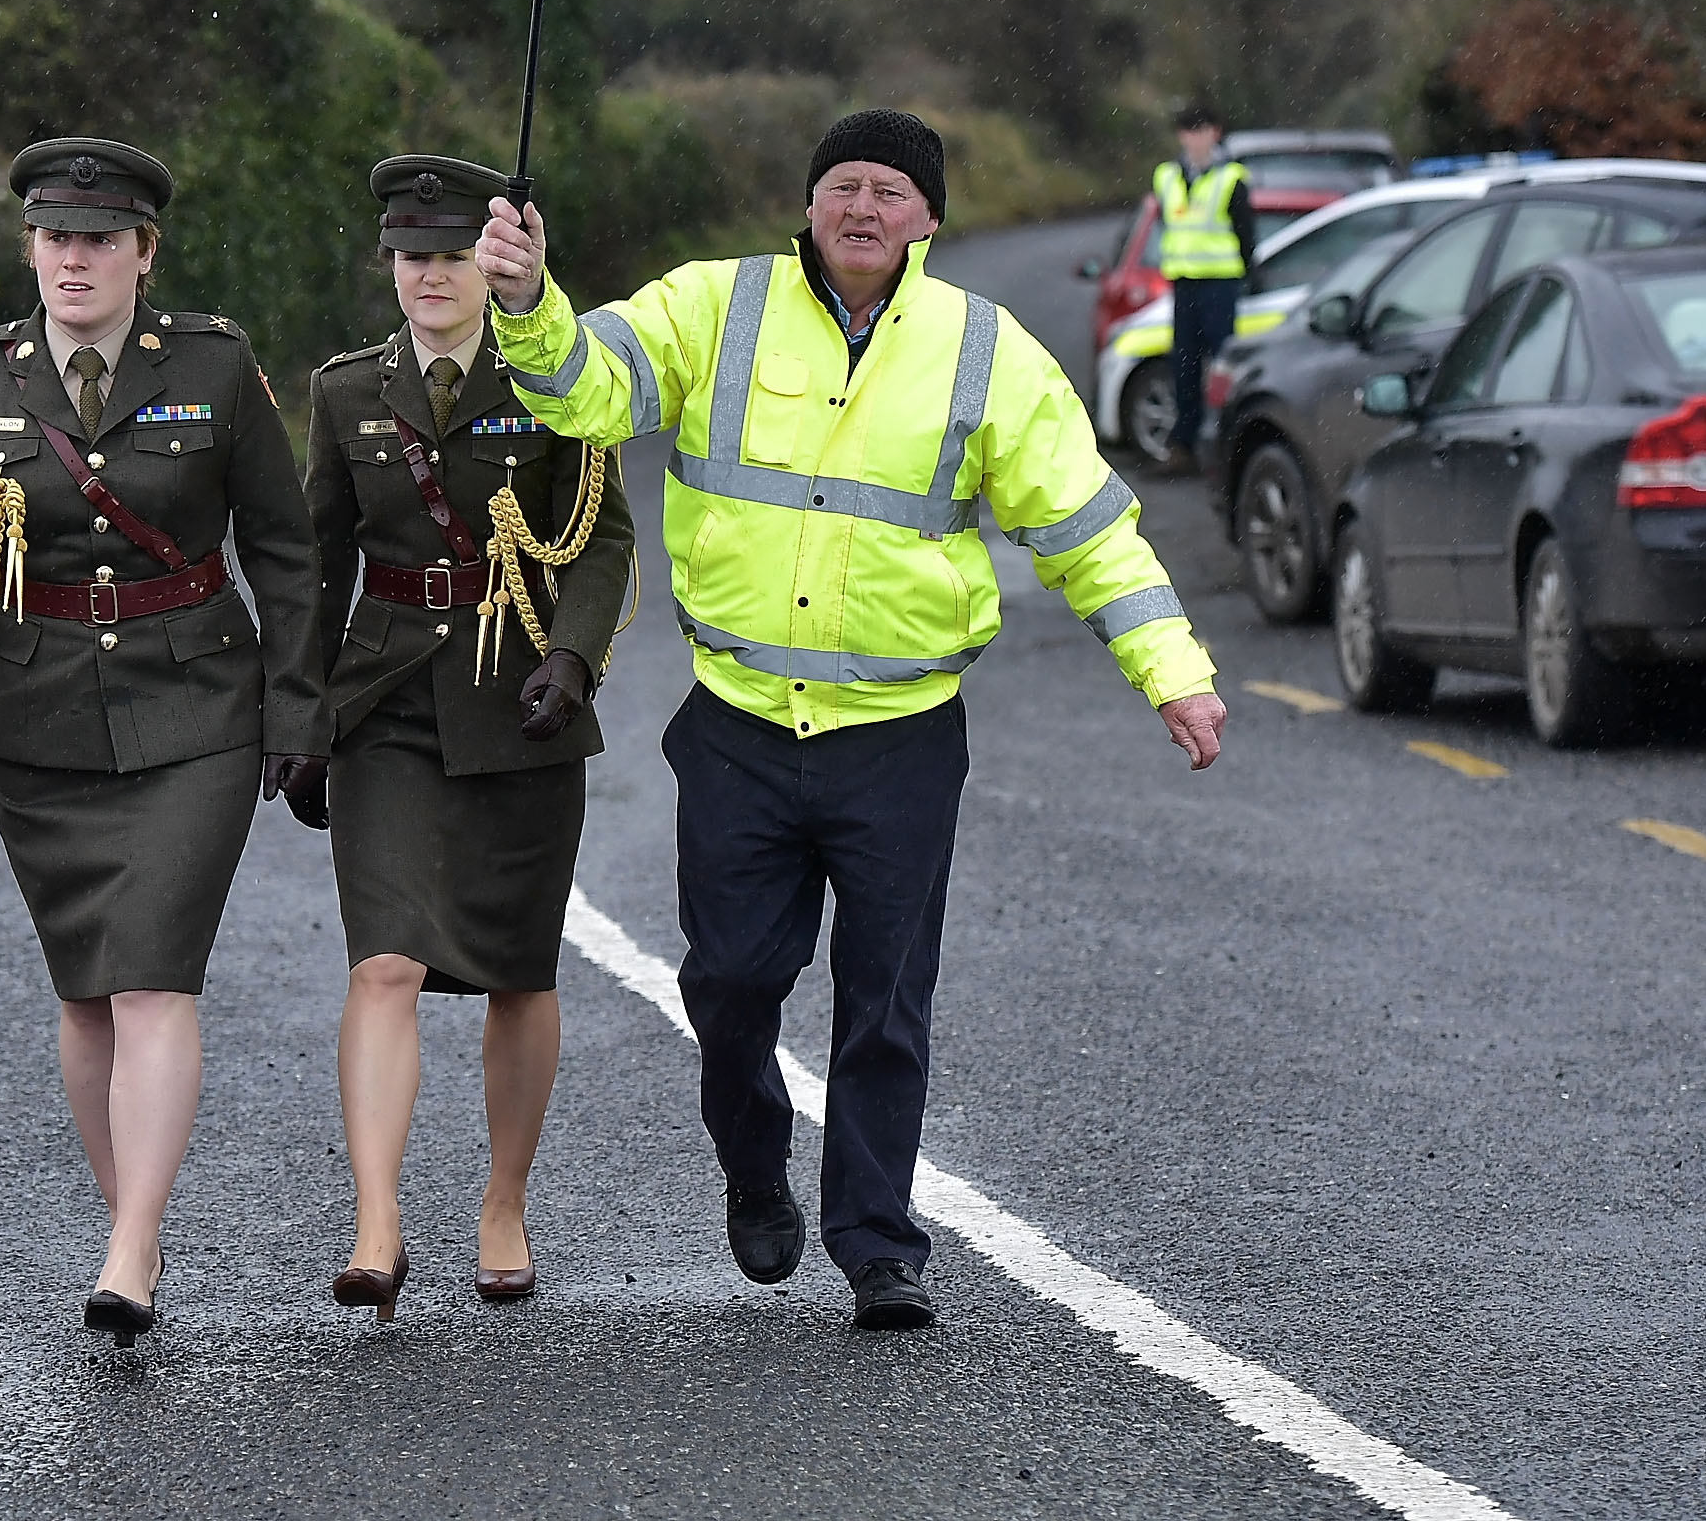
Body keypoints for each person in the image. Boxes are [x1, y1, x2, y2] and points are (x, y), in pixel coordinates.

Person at [475, 108, 1228, 1332]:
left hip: (899, 734)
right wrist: (526, 301)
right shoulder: (716, 304)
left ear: (930, 217)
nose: (863, 206)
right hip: (740, 725)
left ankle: (880, 1246)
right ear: (810, 200)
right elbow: (585, 391)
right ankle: (755, 1161)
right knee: (727, 983)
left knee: (886, 999)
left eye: (890, 189)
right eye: (843, 184)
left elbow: (1090, 530)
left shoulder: (985, 349)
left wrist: (1173, 670)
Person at [0, 137, 331, 1350]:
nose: (76, 258)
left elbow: (283, 548)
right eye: (56, 236)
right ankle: (134, 1216)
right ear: (30, 245)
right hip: (38, 722)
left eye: (101, 238)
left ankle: (129, 1248)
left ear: (143, 251)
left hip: (198, 709)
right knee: (85, 994)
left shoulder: (217, 370)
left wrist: (298, 708)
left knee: (150, 975)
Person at [304, 154, 638, 1321]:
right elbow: (317, 561)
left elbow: (601, 538)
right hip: (387, 699)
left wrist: (576, 655)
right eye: (413, 257)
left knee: (517, 967)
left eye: (452, 257)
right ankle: (377, 1221)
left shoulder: (556, 375)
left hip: (521, 690)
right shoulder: (347, 390)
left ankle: (504, 1200)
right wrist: (299, 711)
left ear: (491, 265)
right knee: (384, 960)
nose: (431, 277)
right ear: (389, 264)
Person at [1152, 102, 1258, 475]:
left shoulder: (1231, 178)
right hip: (1184, 285)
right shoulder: (1166, 176)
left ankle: (1230, 446)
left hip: (1220, 285)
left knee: (1224, 368)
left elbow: (1247, 237)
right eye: (1188, 131)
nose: (1194, 139)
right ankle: (1184, 446)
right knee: (1184, 367)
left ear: (1215, 132)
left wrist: (1248, 276)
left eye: (1201, 130)